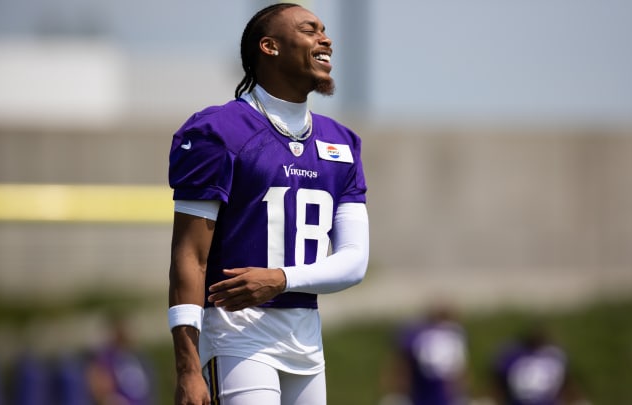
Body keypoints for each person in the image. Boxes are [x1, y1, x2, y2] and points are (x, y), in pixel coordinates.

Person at [167, 3, 369, 405]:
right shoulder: (218, 131)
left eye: (325, 30)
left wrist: (281, 278)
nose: (325, 38)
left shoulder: (341, 142)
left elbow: (355, 260)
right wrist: (188, 368)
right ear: (270, 46)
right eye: (309, 30)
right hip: (235, 332)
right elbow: (190, 256)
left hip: (306, 338)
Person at [380, 304, 471, 405]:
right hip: (442, 398)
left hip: (419, 397)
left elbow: (401, 373)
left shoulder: (414, 336)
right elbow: (459, 379)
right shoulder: (453, 336)